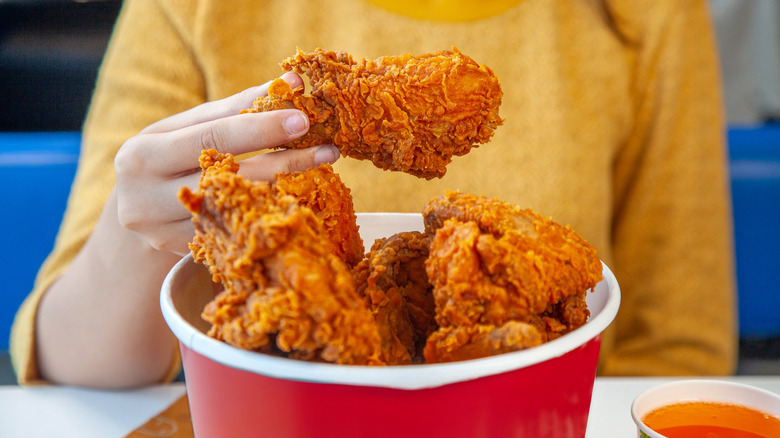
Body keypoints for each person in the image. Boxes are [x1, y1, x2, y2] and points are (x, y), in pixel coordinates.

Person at [10, 0, 737, 388]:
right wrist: (135, 232)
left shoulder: (647, 14)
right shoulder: (197, 6)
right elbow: (69, 366)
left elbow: (679, 356)